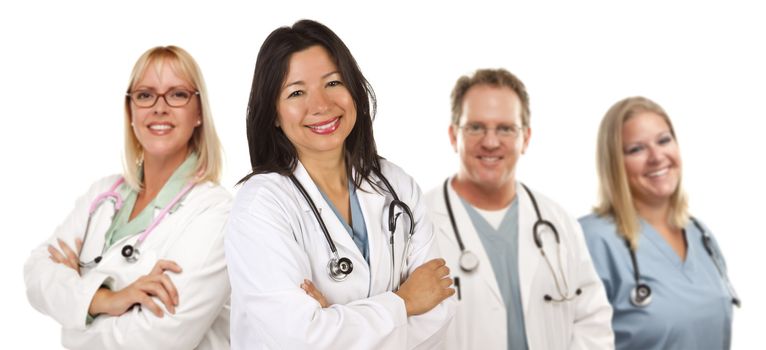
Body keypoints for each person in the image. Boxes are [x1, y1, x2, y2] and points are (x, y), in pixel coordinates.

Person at [225, 19, 455, 349]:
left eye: (333, 83)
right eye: (297, 92)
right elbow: (300, 339)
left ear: (354, 90)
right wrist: (404, 303)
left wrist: (336, 319)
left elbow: (439, 310)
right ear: (273, 113)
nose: (321, 105)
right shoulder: (260, 206)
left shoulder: (396, 185)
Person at [24, 46, 232, 349]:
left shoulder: (217, 213)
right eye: (146, 95)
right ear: (130, 111)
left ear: (198, 112)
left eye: (177, 94)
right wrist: (105, 299)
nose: (159, 107)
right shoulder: (102, 195)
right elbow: (36, 274)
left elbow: (158, 339)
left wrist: (74, 319)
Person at [424, 68, 614, 349]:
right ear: (454, 136)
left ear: (525, 138)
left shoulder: (559, 224)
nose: (490, 142)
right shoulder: (419, 224)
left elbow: (592, 323)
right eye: (475, 127)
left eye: (505, 128)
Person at [579, 96, 739, 349]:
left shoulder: (700, 235)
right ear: (615, 163)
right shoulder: (591, 240)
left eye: (664, 140)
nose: (656, 157)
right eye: (636, 149)